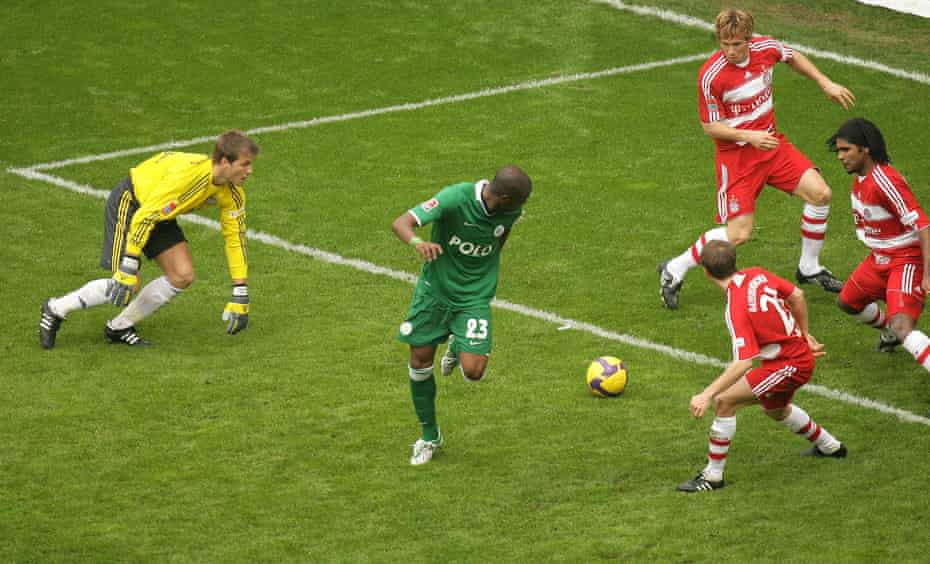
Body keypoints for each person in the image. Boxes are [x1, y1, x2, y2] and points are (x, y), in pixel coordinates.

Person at [658, 8, 856, 310]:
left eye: (737, 44)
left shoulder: (766, 48)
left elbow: (792, 56)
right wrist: (750, 136)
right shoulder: (711, 76)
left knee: (821, 194)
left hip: (772, 147)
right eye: (725, 44)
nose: (731, 51)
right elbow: (709, 126)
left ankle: (809, 266)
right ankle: (675, 267)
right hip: (738, 158)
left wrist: (824, 82)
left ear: (749, 39)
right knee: (739, 234)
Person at [39, 130, 259, 348]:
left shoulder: (233, 194)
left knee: (182, 275)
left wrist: (240, 290)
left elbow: (235, 238)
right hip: (132, 203)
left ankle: (119, 326)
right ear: (224, 161)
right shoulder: (189, 181)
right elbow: (143, 216)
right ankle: (56, 308)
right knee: (128, 283)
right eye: (245, 164)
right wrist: (129, 262)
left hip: (159, 211)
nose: (250, 171)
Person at [677, 240, 846, 493]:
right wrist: (804, 334)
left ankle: (713, 477)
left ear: (706, 272)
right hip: (792, 359)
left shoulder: (736, 307)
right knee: (776, 410)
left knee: (724, 402)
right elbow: (797, 296)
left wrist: (706, 394)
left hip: (788, 364)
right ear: (735, 262)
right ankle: (831, 446)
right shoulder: (756, 274)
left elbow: (744, 361)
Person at [392, 165, 532, 466]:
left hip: (473, 297)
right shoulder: (454, 198)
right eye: (521, 202)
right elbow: (401, 223)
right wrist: (419, 243)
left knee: (474, 371)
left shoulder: (510, 213)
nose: (523, 208)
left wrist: (483, 276)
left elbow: (498, 240)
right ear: (505, 197)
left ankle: (459, 339)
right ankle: (430, 436)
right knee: (420, 360)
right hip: (435, 291)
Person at [829, 117, 930, 370]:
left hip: (906, 260)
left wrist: (927, 273)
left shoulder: (885, 181)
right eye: (839, 150)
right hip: (879, 258)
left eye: (846, 150)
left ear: (865, 149)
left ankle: (897, 332)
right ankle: (891, 332)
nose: (840, 156)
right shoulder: (861, 180)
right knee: (847, 302)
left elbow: (924, 225)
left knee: (903, 326)